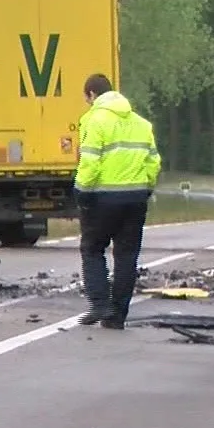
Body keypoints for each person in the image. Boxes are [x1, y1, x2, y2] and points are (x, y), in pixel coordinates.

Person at [73, 72, 161, 328]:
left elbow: (90, 161)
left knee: (92, 249)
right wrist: (146, 188)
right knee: (126, 256)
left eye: (87, 98)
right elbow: (153, 161)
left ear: (91, 95)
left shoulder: (94, 120)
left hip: (102, 198)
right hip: (136, 198)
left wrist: (81, 191)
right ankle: (117, 316)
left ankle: (100, 304)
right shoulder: (142, 123)